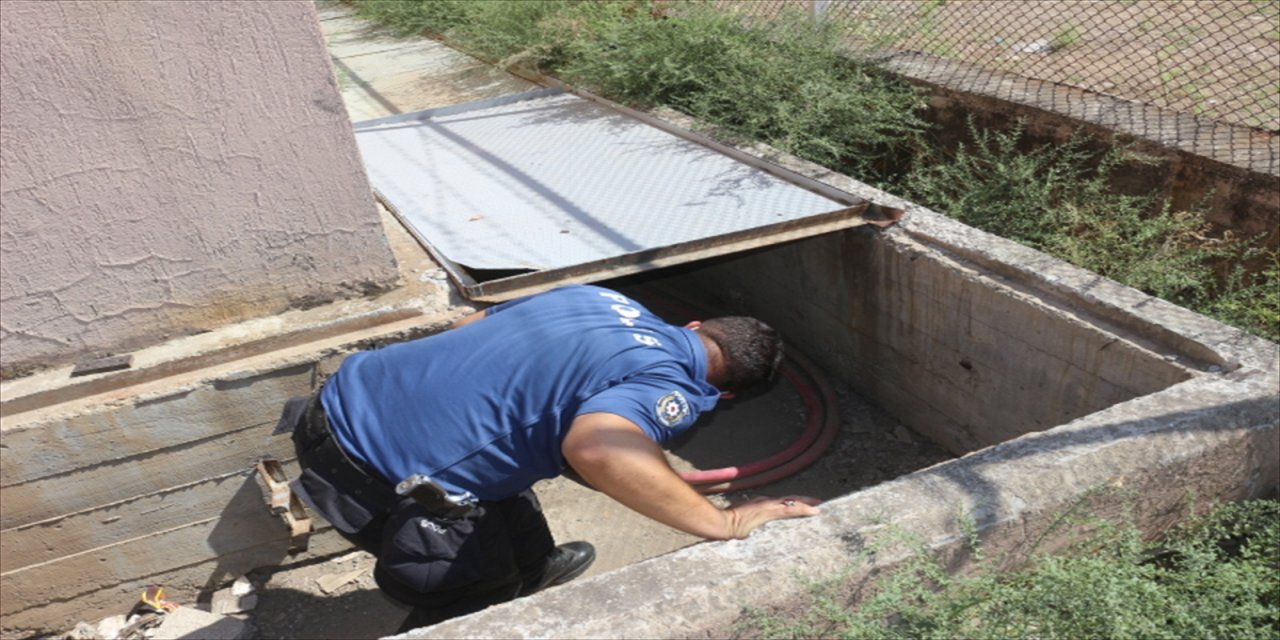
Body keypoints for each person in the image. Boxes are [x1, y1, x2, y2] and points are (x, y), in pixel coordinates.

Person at [277, 284, 820, 631]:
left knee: (513, 479)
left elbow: (473, 326)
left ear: (698, 327)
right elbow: (598, 448)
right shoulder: (668, 384)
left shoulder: (598, 298)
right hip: (370, 479)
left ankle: (531, 570)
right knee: (467, 596)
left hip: (330, 407)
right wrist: (723, 522)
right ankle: (463, 612)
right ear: (724, 394)